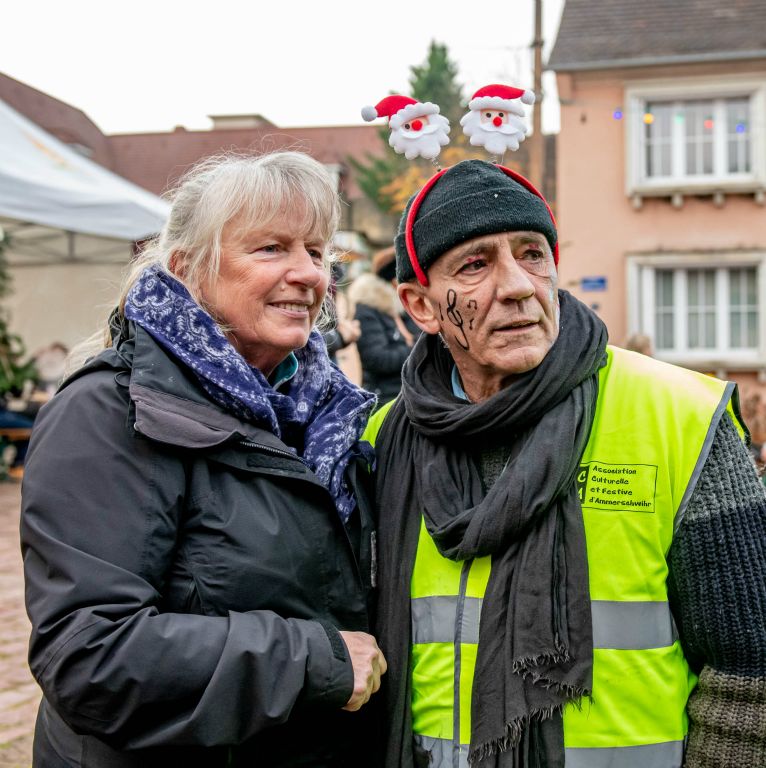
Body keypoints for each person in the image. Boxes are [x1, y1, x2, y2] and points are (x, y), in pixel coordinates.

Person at [363, 160, 766, 768]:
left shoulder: (680, 416)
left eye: (532, 254)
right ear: (421, 306)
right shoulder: (383, 441)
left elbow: (749, 671)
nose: (518, 286)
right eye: (475, 265)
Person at [20, 151, 387, 768]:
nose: (309, 273)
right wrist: (312, 662)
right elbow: (88, 656)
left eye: (316, 251)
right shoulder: (111, 412)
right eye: (271, 248)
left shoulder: (330, 416)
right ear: (188, 269)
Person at [350, 248, 417, 407]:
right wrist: (416, 350)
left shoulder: (402, 307)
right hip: (385, 398)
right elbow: (377, 358)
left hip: (410, 393)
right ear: (394, 279)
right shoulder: (367, 309)